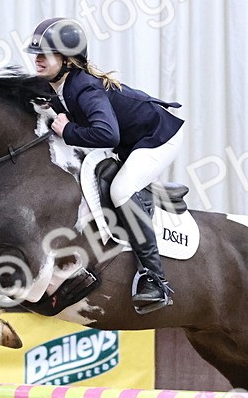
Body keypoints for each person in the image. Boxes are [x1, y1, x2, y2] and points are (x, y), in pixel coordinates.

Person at [26, 17, 184, 314]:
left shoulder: (84, 87)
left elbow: (107, 134)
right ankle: (151, 192)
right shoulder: (54, 84)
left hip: (158, 136)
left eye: (45, 54)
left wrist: (68, 130)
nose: (37, 60)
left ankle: (156, 279)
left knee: (122, 189)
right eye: (36, 53)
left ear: (67, 60)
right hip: (129, 142)